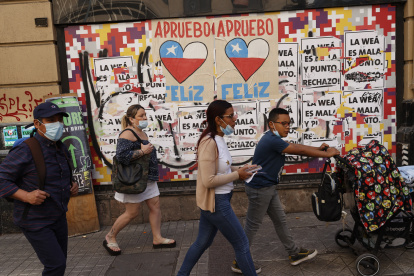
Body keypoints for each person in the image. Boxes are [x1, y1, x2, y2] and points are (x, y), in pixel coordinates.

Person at [231, 107, 340, 273]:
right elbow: (299, 150)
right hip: (261, 189)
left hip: (268, 187)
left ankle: (294, 253)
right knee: (252, 225)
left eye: (289, 123)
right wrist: (327, 154)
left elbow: (294, 145)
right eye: (283, 123)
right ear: (271, 124)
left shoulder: (273, 138)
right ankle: (240, 261)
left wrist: (318, 150)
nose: (287, 127)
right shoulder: (271, 140)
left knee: (280, 220)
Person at [178, 100, 260, 276]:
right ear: (218, 119)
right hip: (217, 203)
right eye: (230, 116)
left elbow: (221, 167)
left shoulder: (219, 139)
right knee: (242, 244)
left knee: (202, 243)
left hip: (219, 201)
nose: (234, 119)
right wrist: (237, 176)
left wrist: (241, 170)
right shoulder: (208, 143)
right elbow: (208, 180)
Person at [0, 101, 79, 276]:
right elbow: (2, 179)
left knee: (60, 263)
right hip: (35, 221)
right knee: (55, 265)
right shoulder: (26, 149)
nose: (57, 124)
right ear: (37, 123)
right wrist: (26, 196)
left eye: (60, 119)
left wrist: (71, 185)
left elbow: (60, 174)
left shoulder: (61, 146)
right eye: (51, 120)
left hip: (58, 216)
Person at [103, 104, 176, 255]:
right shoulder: (127, 134)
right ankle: (110, 236)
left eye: (145, 115)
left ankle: (157, 238)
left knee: (155, 206)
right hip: (134, 180)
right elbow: (121, 156)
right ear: (131, 119)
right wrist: (142, 151)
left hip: (147, 178)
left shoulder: (141, 132)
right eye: (141, 116)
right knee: (132, 212)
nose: (144, 118)